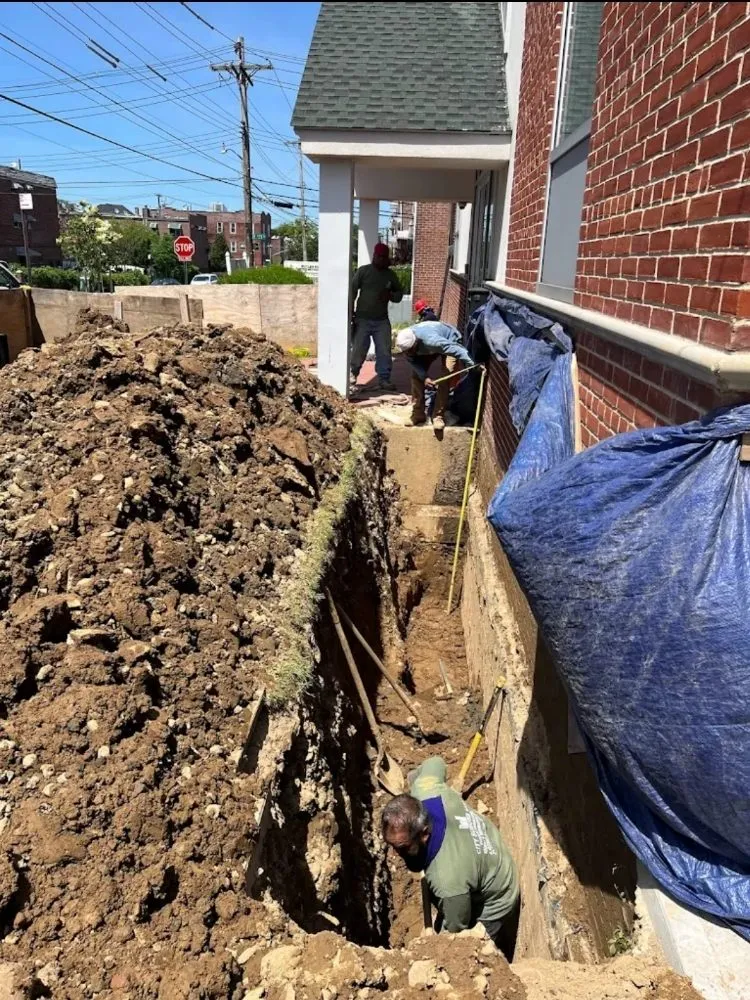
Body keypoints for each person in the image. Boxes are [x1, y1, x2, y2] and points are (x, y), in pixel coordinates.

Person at [382, 757, 520, 961]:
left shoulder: (448, 880)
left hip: (498, 896)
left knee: (471, 952)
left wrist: (432, 947)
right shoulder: (426, 790)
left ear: (424, 834)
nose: (396, 854)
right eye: (392, 846)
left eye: (402, 847)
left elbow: (455, 933)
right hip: (488, 850)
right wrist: (413, 778)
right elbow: (435, 763)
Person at [395, 320, 473, 429]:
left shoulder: (432, 341)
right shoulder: (407, 345)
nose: (407, 354)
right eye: (406, 352)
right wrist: (425, 377)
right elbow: (413, 362)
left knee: (446, 376)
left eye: (409, 351)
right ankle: (418, 414)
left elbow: (457, 350)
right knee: (416, 377)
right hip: (427, 348)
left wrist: (472, 364)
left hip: (449, 339)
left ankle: (438, 416)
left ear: (415, 343)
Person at [351, 243, 403, 391]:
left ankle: (384, 379)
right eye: (377, 256)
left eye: (382, 257)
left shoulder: (390, 275)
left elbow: (399, 294)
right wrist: (350, 311)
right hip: (362, 318)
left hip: (381, 320)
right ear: (374, 256)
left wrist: (390, 295)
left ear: (386, 258)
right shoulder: (363, 271)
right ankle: (352, 375)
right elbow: (352, 291)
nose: (380, 259)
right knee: (359, 348)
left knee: (384, 350)